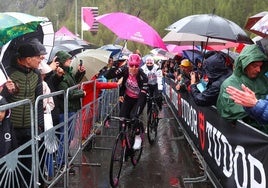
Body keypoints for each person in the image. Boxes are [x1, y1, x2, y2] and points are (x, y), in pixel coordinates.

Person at [0, 38, 46, 187]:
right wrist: (7, 91)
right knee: (12, 164)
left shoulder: (36, 74)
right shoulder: (8, 72)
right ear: (28, 59)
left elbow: (39, 100)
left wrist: (40, 125)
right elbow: (2, 101)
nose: (41, 60)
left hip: (30, 126)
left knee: (30, 161)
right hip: (11, 128)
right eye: (38, 57)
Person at [216, 44, 268, 130]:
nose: (258, 70)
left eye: (260, 66)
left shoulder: (264, 79)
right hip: (249, 135)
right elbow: (227, 111)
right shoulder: (229, 84)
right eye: (255, 66)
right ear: (245, 64)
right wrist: (252, 105)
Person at [105, 53, 148, 150]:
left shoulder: (143, 77)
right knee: (122, 118)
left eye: (136, 66)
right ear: (128, 64)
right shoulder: (124, 70)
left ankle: (137, 136)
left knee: (134, 116)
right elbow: (108, 76)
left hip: (139, 99)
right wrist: (115, 65)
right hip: (128, 97)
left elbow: (142, 97)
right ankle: (124, 141)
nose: (133, 68)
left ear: (139, 66)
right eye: (131, 65)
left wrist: (136, 114)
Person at [54, 50, 86, 174]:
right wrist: (81, 93)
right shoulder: (60, 74)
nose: (70, 61)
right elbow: (67, 93)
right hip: (66, 110)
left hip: (71, 109)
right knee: (64, 137)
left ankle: (64, 160)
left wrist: (80, 73)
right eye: (67, 60)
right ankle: (62, 164)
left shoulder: (67, 73)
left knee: (68, 137)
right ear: (62, 61)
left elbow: (73, 84)